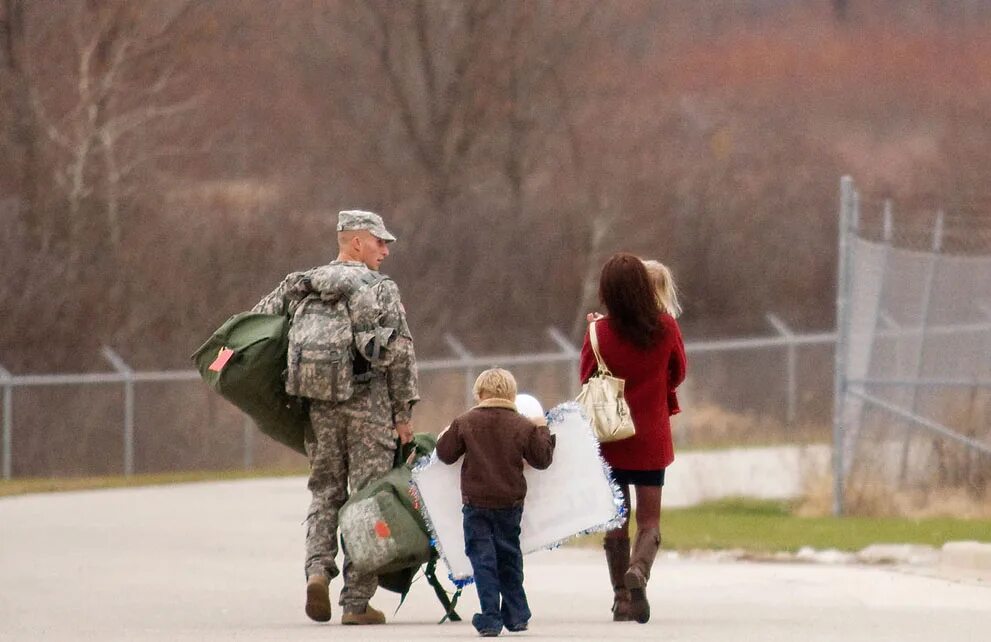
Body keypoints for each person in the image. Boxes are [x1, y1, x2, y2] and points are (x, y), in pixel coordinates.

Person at [252, 209, 419, 626]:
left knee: (325, 492)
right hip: (370, 408)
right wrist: (403, 415)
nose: (385, 250)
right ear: (356, 242)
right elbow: (400, 354)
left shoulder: (302, 286)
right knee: (367, 499)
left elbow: (261, 326)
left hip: (319, 407)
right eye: (379, 242)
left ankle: (315, 571)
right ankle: (356, 602)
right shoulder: (379, 289)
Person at [579, 253, 687, 624]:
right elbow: (678, 373)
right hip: (651, 436)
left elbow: (586, 378)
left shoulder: (598, 333)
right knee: (650, 520)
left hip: (611, 437)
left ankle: (621, 600)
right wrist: (654, 389)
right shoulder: (666, 329)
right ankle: (639, 571)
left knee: (616, 519)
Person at [435, 368, 556, 637]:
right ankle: (517, 614)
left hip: (476, 504)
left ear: (478, 394)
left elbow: (445, 454)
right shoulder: (522, 425)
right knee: (509, 557)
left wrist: (446, 433)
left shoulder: (466, 422)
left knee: (483, 559)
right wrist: (542, 427)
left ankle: (490, 616)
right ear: (512, 395)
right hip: (510, 503)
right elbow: (542, 458)